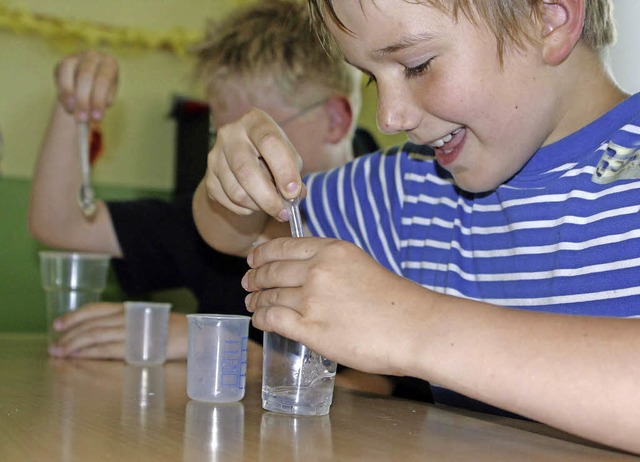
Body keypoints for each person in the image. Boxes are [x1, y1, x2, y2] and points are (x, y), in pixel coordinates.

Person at [193, 0, 640, 454]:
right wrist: (236, 181)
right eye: (371, 78)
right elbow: (232, 233)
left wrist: (412, 325)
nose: (390, 118)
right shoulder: (418, 186)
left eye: (417, 66)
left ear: (550, 18)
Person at [28, 0, 399, 396]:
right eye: (221, 138)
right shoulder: (223, 210)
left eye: (257, 138)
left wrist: (246, 356)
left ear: (335, 120)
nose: (233, 161)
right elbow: (60, 223)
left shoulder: (401, 203)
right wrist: (76, 106)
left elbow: (392, 388)